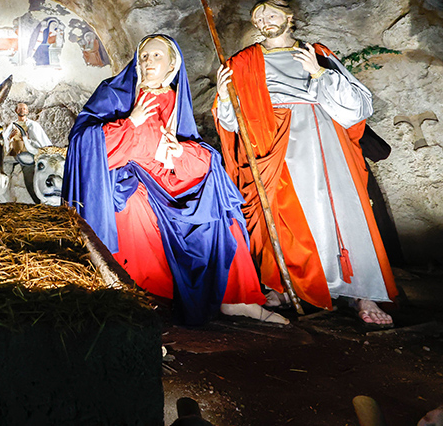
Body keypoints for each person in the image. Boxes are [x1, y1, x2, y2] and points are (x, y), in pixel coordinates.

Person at [64, 35, 284, 326]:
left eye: (156, 56)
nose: (148, 62)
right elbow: (84, 145)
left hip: (171, 183)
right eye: (144, 56)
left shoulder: (174, 100)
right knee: (135, 207)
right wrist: (131, 123)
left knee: (220, 209)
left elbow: (192, 150)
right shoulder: (116, 93)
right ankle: (142, 298)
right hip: (132, 181)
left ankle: (236, 299)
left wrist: (180, 152)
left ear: (172, 65)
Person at [214, 0, 397, 325]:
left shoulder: (318, 53)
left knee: (341, 212)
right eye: (258, 16)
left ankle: (362, 293)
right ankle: (286, 285)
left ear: (289, 16)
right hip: (274, 146)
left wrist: (318, 73)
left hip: (322, 137)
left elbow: (357, 108)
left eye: (271, 13)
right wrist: (225, 96)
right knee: (284, 217)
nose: (264, 20)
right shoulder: (243, 62)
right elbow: (231, 123)